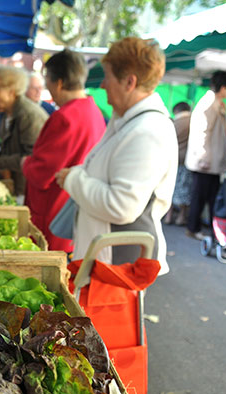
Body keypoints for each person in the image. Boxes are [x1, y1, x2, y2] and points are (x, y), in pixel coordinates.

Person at [55, 37, 178, 274]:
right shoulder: (127, 121)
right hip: (106, 260)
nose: (102, 85)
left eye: (108, 76)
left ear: (129, 82)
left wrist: (73, 180)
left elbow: (122, 206)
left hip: (118, 267)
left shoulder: (147, 131)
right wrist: (78, 174)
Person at [21, 50, 106, 253]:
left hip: (54, 212)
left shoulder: (65, 117)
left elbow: (42, 172)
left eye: (48, 83)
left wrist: (25, 162)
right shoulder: (94, 112)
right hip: (75, 209)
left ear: (58, 83)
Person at [0, 66, 48, 196]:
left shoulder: (29, 116)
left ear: (11, 91)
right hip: (17, 187)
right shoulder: (7, 114)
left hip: (28, 191)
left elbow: (33, 157)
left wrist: (0, 161)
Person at [184, 70, 226, 240]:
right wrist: (203, 157)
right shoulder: (209, 103)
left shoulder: (217, 102)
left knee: (210, 196)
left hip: (212, 162)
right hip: (205, 162)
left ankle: (209, 229)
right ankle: (193, 227)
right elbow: (202, 132)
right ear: (224, 87)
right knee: (200, 196)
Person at [164, 102, 193, 225]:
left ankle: (168, 216)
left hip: (173, 160)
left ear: (177, 111)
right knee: (185, 190)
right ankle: (181, 216)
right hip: (187, 161)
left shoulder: (176, 123)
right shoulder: (194, 121)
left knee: (170, 188)